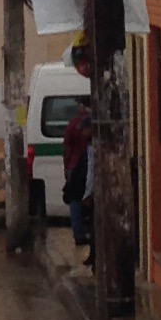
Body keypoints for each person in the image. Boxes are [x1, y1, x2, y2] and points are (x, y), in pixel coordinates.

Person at [62, 100, 95, 263]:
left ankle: (79, 233)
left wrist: (66, 167)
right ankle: (80, 234)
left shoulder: (74, 125)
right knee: (77, 201)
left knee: (76, 201)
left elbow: (66, 148)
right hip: (78, 167)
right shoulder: (83, 126)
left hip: (76, 167)